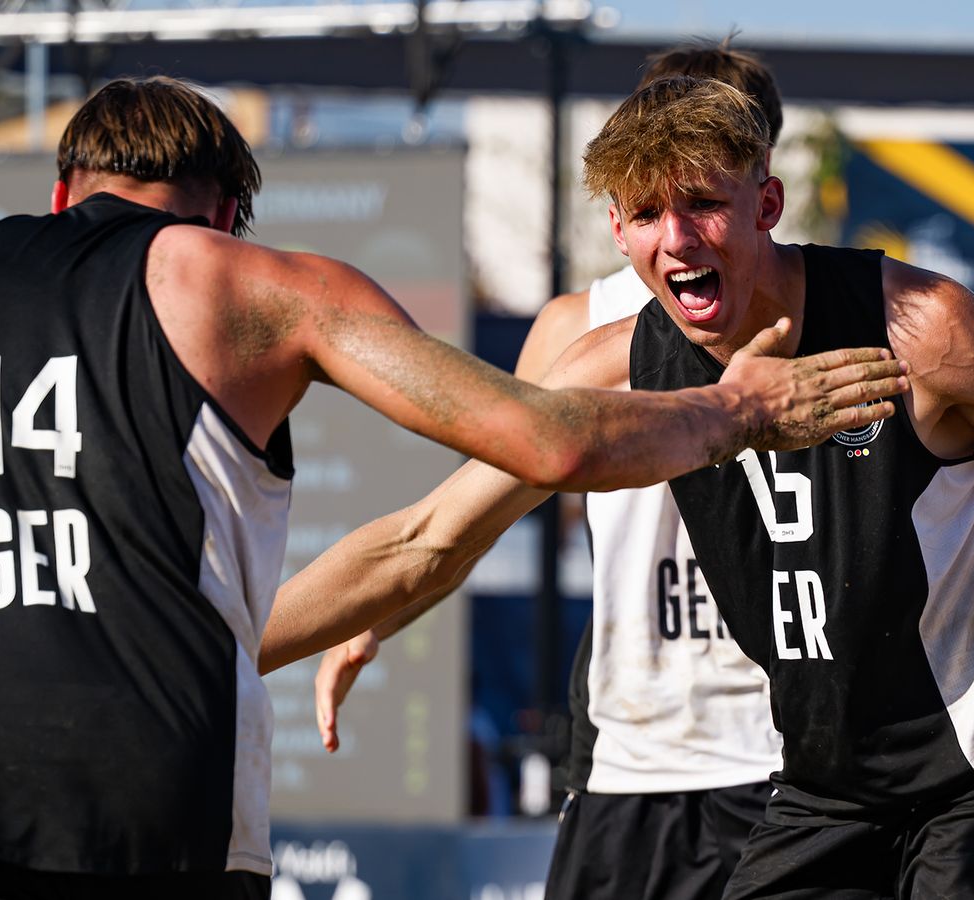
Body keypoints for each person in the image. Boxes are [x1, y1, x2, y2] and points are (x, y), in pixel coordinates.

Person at [259, 77, 974, 900]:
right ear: (614, 229)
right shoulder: (607, 357)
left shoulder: (919, 328)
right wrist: (227, 647)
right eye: (647, 217)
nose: (676, 239)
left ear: (765, 207)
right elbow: (423, 539)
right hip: (823, 774)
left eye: (701, 204)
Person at [0, 76, 905, 900]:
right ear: (224, 215)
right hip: (161, 809)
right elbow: (545, 440)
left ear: (61, 193)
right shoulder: (259, 286)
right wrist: (743, 411)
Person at [312, 40, 787, 900]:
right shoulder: (582, 323)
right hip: (634, 748)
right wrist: (374, 612)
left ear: (763, 178)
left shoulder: (822, 308)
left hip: (788, 750)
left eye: (715, 156)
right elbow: (472, 513)